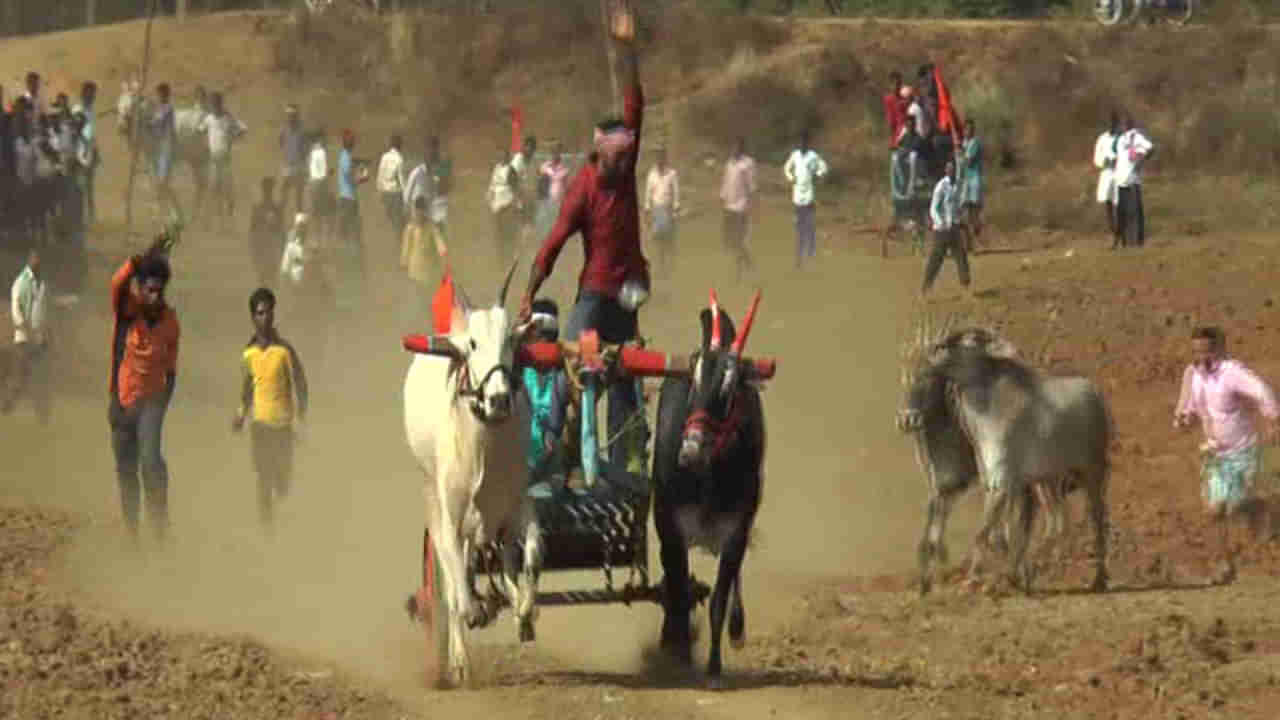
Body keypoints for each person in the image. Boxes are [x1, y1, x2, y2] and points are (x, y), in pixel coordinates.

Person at [519, 0, 650, 475]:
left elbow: (635, 103)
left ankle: (625, 457)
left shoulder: (626, 167)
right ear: (601, 156)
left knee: (625, 375)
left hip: (630, 289)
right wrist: (528, 294)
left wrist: (628, 48)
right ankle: (549, 443)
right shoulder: (583, 190)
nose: (624, 164)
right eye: (617, 158)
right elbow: (552, 245)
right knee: (572, 356)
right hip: (594, 294)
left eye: (627, 156)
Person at [1175, 326, 1280, 585]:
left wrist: (1274, 419)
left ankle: (1269, 515)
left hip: (1243, 451)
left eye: (1207, 350)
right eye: (1196, 350)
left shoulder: (1232, 373)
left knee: (1235, 507)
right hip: (1215, 454)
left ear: (1220, 349)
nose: (1201, 356)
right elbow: (1186, 408)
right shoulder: (1192, 375)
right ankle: (1225, 566)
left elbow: (1262, 391)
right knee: (1214, 511)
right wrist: (1184, 420)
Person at [109, 231, 180, 545]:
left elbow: (172, 368)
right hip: (123, 401)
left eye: (159, 290)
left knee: (150, 462)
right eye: (148, 288)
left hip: (152, 401)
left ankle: (160, 524)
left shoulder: (170, 321)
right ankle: (131, 531)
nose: (154, 295)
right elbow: (116, 284)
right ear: (141, 288)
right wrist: (140, 260)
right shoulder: (128, 312)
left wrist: (163, 405)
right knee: (126, 469)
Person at [233, 288, 309, 535]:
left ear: (273, 315)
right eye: (259, 313)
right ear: (252, 317)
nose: (264, 318)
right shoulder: (248, 352)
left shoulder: (285, 350)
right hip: (260, 425)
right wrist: (241, 412)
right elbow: (247, 386)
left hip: (283, 425)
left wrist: (301, 417)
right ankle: (267, 532)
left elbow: (300, 382)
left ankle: (283, 517)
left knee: (282, 480)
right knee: (263, 476)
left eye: (268, 313)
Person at [522, 298, 575, 495]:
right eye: (538, 337)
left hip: (552, 463)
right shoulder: (516, 370)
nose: (543, 343)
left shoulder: (564, 373)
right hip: (515, 459)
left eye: (548, 338)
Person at [4, 249, 50, 423]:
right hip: (24, 337)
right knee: (22, 374)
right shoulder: (21, 282)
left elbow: (42, 309)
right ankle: (8, 404)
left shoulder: (42, 283)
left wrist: (44, 330)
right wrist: (24, 327)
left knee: (40, 375)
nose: (38, 262)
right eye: (35, 259)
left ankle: (41, 414)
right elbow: (16, 307)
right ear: (30, 260)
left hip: (38, 336)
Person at [921, 159, 971, 299]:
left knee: (961, 256)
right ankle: (926, 287)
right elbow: (933, 208)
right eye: (949, 168)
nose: (952, 171)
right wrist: (940, 222)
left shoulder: (958, 185)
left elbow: (957, 205)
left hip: (954, 227)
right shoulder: (941, 186)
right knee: (936, 259)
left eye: (953, 168)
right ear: (946, 170)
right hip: (942, 230)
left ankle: (965, 287)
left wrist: (960, 218)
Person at [197, 91, 247, 227]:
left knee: (228, 190)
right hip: (213, 160)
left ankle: (229, 219)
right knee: (213, 189)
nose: (214, 106)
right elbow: (200, 130)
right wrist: (205, 145)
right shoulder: (209, 118)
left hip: (225, 160)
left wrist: (234, 138)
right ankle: (210, 221)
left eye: (216, 103)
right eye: (212, 104)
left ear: (220, 104)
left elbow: (243, 129)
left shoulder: (228, 118)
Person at [782, 129, 829, 270]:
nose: (802, 145)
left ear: (808, 144)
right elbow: (786, 168)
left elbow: (824, 167)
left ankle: (810, 252)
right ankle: (799, 257)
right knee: (799, 227)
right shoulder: (795, 155)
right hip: (797, 195)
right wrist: (791, 178)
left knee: (808, 224)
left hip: (809, 194)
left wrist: (817, 175)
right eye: (800, 142)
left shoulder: (813, 156)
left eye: (804, 142)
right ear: (798, 143)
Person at [399, 196, 447, 329]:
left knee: (430, 300)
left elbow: (440, 244)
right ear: (414, 211)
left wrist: (444, 257)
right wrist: (403, 263)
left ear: (425, 211)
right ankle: (420, 325)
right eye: (416, 211)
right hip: (414, 272)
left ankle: (431, 324)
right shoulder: (410, 229)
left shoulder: (431, 227)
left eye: (421, 211)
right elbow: (406, 248)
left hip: (430, 271)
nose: (418, 214)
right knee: (419, 301)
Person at [1113, 112, 1154, 249]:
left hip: (1132, 180)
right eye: (1122, 124)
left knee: (1136, 211)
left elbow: (1150, 148)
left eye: (1126, 123)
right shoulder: (1120, 139)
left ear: (1130, 124)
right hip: (1120, 179)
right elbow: (1119, 157)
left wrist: (1140, 162)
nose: (1124, 126)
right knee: (1122, 211)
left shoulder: (1137, 137)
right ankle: (1125, 241)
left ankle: (1139, 241)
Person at [720, 136, 756, 283]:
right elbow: (725, 184)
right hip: (728, 207)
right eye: (732, 146)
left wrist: (753, 207)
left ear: (741, 148)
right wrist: (722, 201)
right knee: (730, 242)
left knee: (739, 241)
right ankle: (746, 266)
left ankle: (739, 273)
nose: (734, 149)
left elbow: (752, 187)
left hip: (741, 207)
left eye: (736, 147)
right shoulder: (729, 164)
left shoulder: (748, 164)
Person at [147, 83, 183, 224]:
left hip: (167, 147)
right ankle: (163, 212)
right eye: (158, 94)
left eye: (161, 94)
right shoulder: (159, 108)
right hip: (158, 147)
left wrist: (148, 123)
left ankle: (175, 212)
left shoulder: (167, 108)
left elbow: (157, 122)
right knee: (158, 183)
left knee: (163, 183)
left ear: (166, 95)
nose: (159, 96)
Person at [644, 146, 680, 277]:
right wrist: (647, 209)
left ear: (665, 159)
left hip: (668, 209)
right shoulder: (652, 174)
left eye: (661, 157)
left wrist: (676, 208)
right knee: (657, 239)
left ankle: (668, 266)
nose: (659, 160)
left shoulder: (671, 174)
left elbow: (676, 193)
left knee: (667, 239)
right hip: (656, 210)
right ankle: (660, 265)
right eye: (657, 157)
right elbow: (648, 193)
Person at [250, 177, 285, 288]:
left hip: (266, 245)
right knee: (268, 276)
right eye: (268, 189)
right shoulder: (275, 208)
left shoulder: (258, 208)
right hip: (268, 246)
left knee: (265, 276)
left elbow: (252, 229)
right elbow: (281, 229)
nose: (268, 192)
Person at [487, 147, 519, 268]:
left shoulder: (511, 170)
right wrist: (489, 198)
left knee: (508, 236)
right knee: (498, 237)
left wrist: (514, 205)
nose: (502, 157)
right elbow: (492, 185)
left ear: (508, 156)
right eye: (500, 155)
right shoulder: (496, 168)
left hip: (507, 207)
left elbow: (515, 189)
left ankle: (509, 261)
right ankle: (500, 263)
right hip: (496, 208)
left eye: (504, 155)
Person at [1093, 111, 1121, 241]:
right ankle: (1113, 232)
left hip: (1119, 173)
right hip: (1106, 173)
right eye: (1108, 123)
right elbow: (1096, 158)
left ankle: (1121, 232)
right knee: (1107, 202)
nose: (1110, 126)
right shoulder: (1102, 139)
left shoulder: (1121, 138)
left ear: (1116, 124)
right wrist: (1102, 161)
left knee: (1119, 202)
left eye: (1113, 123)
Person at [377, 134, 407, 250]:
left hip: (385, 194)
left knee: (387, 223)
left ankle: (386, 247)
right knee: (398, 225)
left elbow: (379, 176)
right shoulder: (399, 159)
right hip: (395, 195)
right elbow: (402, 181)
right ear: (399, 145)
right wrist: (406, 201)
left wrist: (379, 194)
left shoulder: (384, 157)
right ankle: (397, 248)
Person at [535, 142, 570, 241]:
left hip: (557, 203)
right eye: (553, 151)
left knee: (555, 229)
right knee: (543, 228)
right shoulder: (545, 166)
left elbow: (566, 186)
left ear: (560, 154)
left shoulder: (564, 169)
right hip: (544, 202)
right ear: (551, 153)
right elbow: (538, 179)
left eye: (557, 151)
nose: (555, 154)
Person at [959, 119, 984, 248]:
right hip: (966, 180)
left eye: (970, 129)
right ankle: (968, 242)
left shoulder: (975, 143)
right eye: (966, 129)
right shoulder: (964, 143)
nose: (967, 131)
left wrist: (960, 152)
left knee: (974, 211)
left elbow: (968, 161)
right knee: (965, 210)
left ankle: (977, 238)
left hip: (974, 179)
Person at [279, 104, 307, 215]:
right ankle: (280, 221)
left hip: (298, 166)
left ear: (297, 116)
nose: (291, 117)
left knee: (298, 199)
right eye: (289, 115)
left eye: (293, 115)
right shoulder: (284, 129)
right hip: (288, 166)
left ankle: (299, 224)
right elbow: (281, 143)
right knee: (283, 196)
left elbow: (305, 147)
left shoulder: (301, 130)